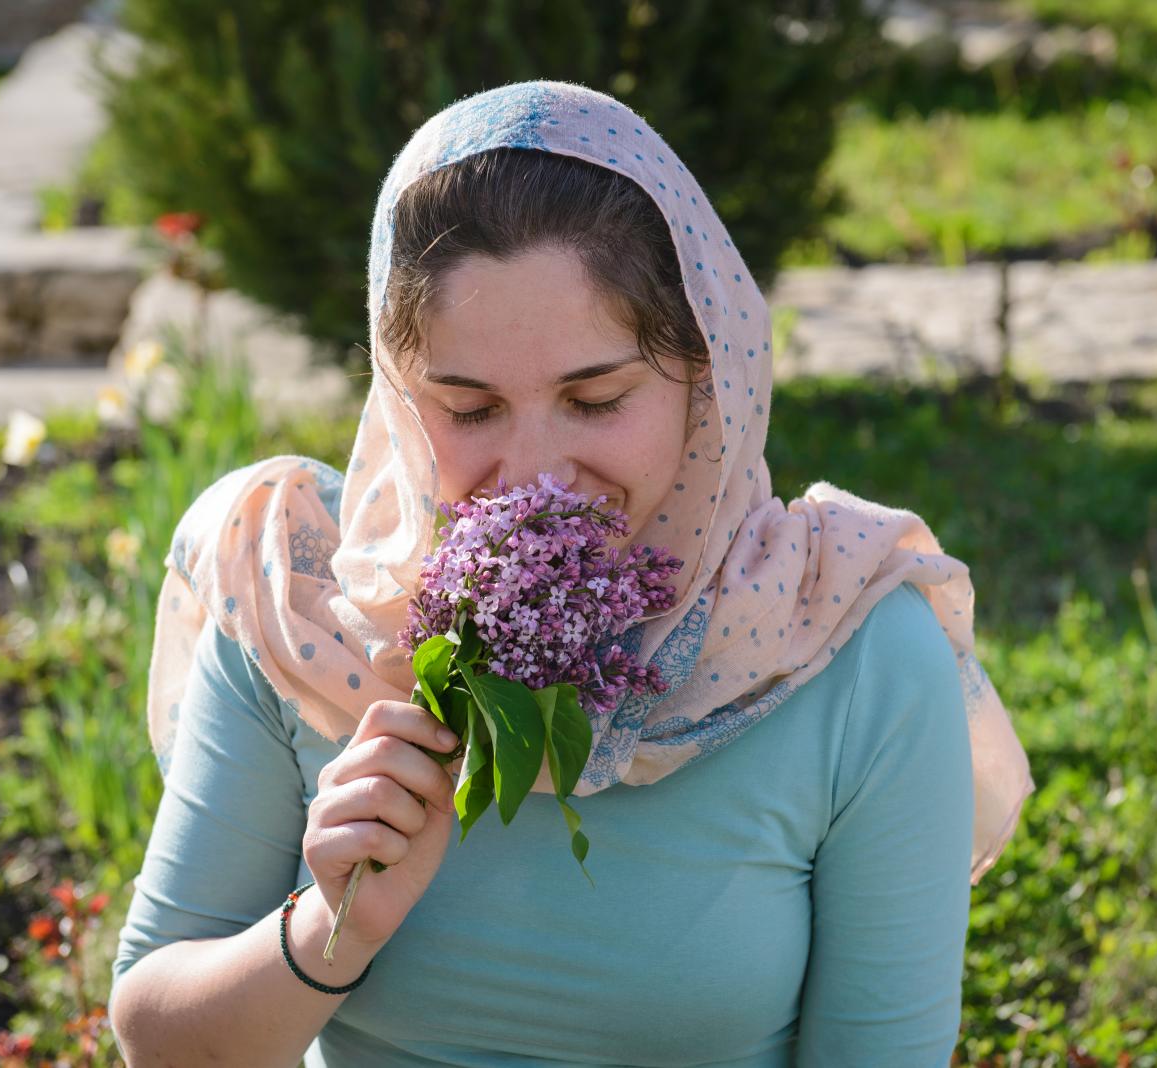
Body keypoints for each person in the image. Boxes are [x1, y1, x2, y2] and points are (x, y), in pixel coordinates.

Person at [107, 80, 1034, 1067]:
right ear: (399, 401)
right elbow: (158, 1043)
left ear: (704, 375)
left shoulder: (847, 644)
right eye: (470, 410)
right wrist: (326, 930)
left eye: (595, 400)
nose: (536, 475)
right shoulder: (297, 603)